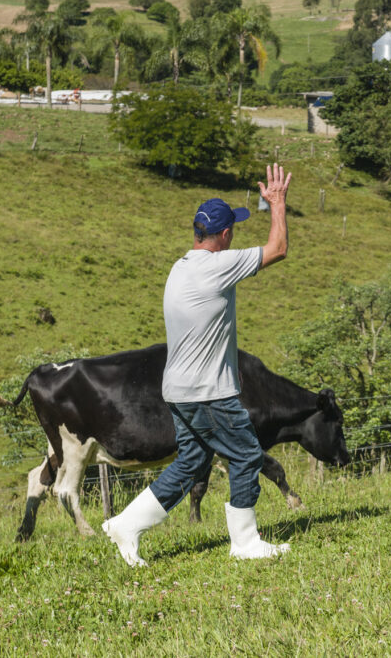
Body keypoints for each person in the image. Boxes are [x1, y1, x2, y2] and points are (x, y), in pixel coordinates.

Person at [103, 163, 291, 567]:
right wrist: (276, 203)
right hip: (209, 391)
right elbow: (277, 250)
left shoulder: (181, 266)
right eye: (233, 228)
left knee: (192, 462)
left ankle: (126, 524)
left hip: (178, 390)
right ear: (225, 234)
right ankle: (245, 543)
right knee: (245, 455)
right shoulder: (217, 266)